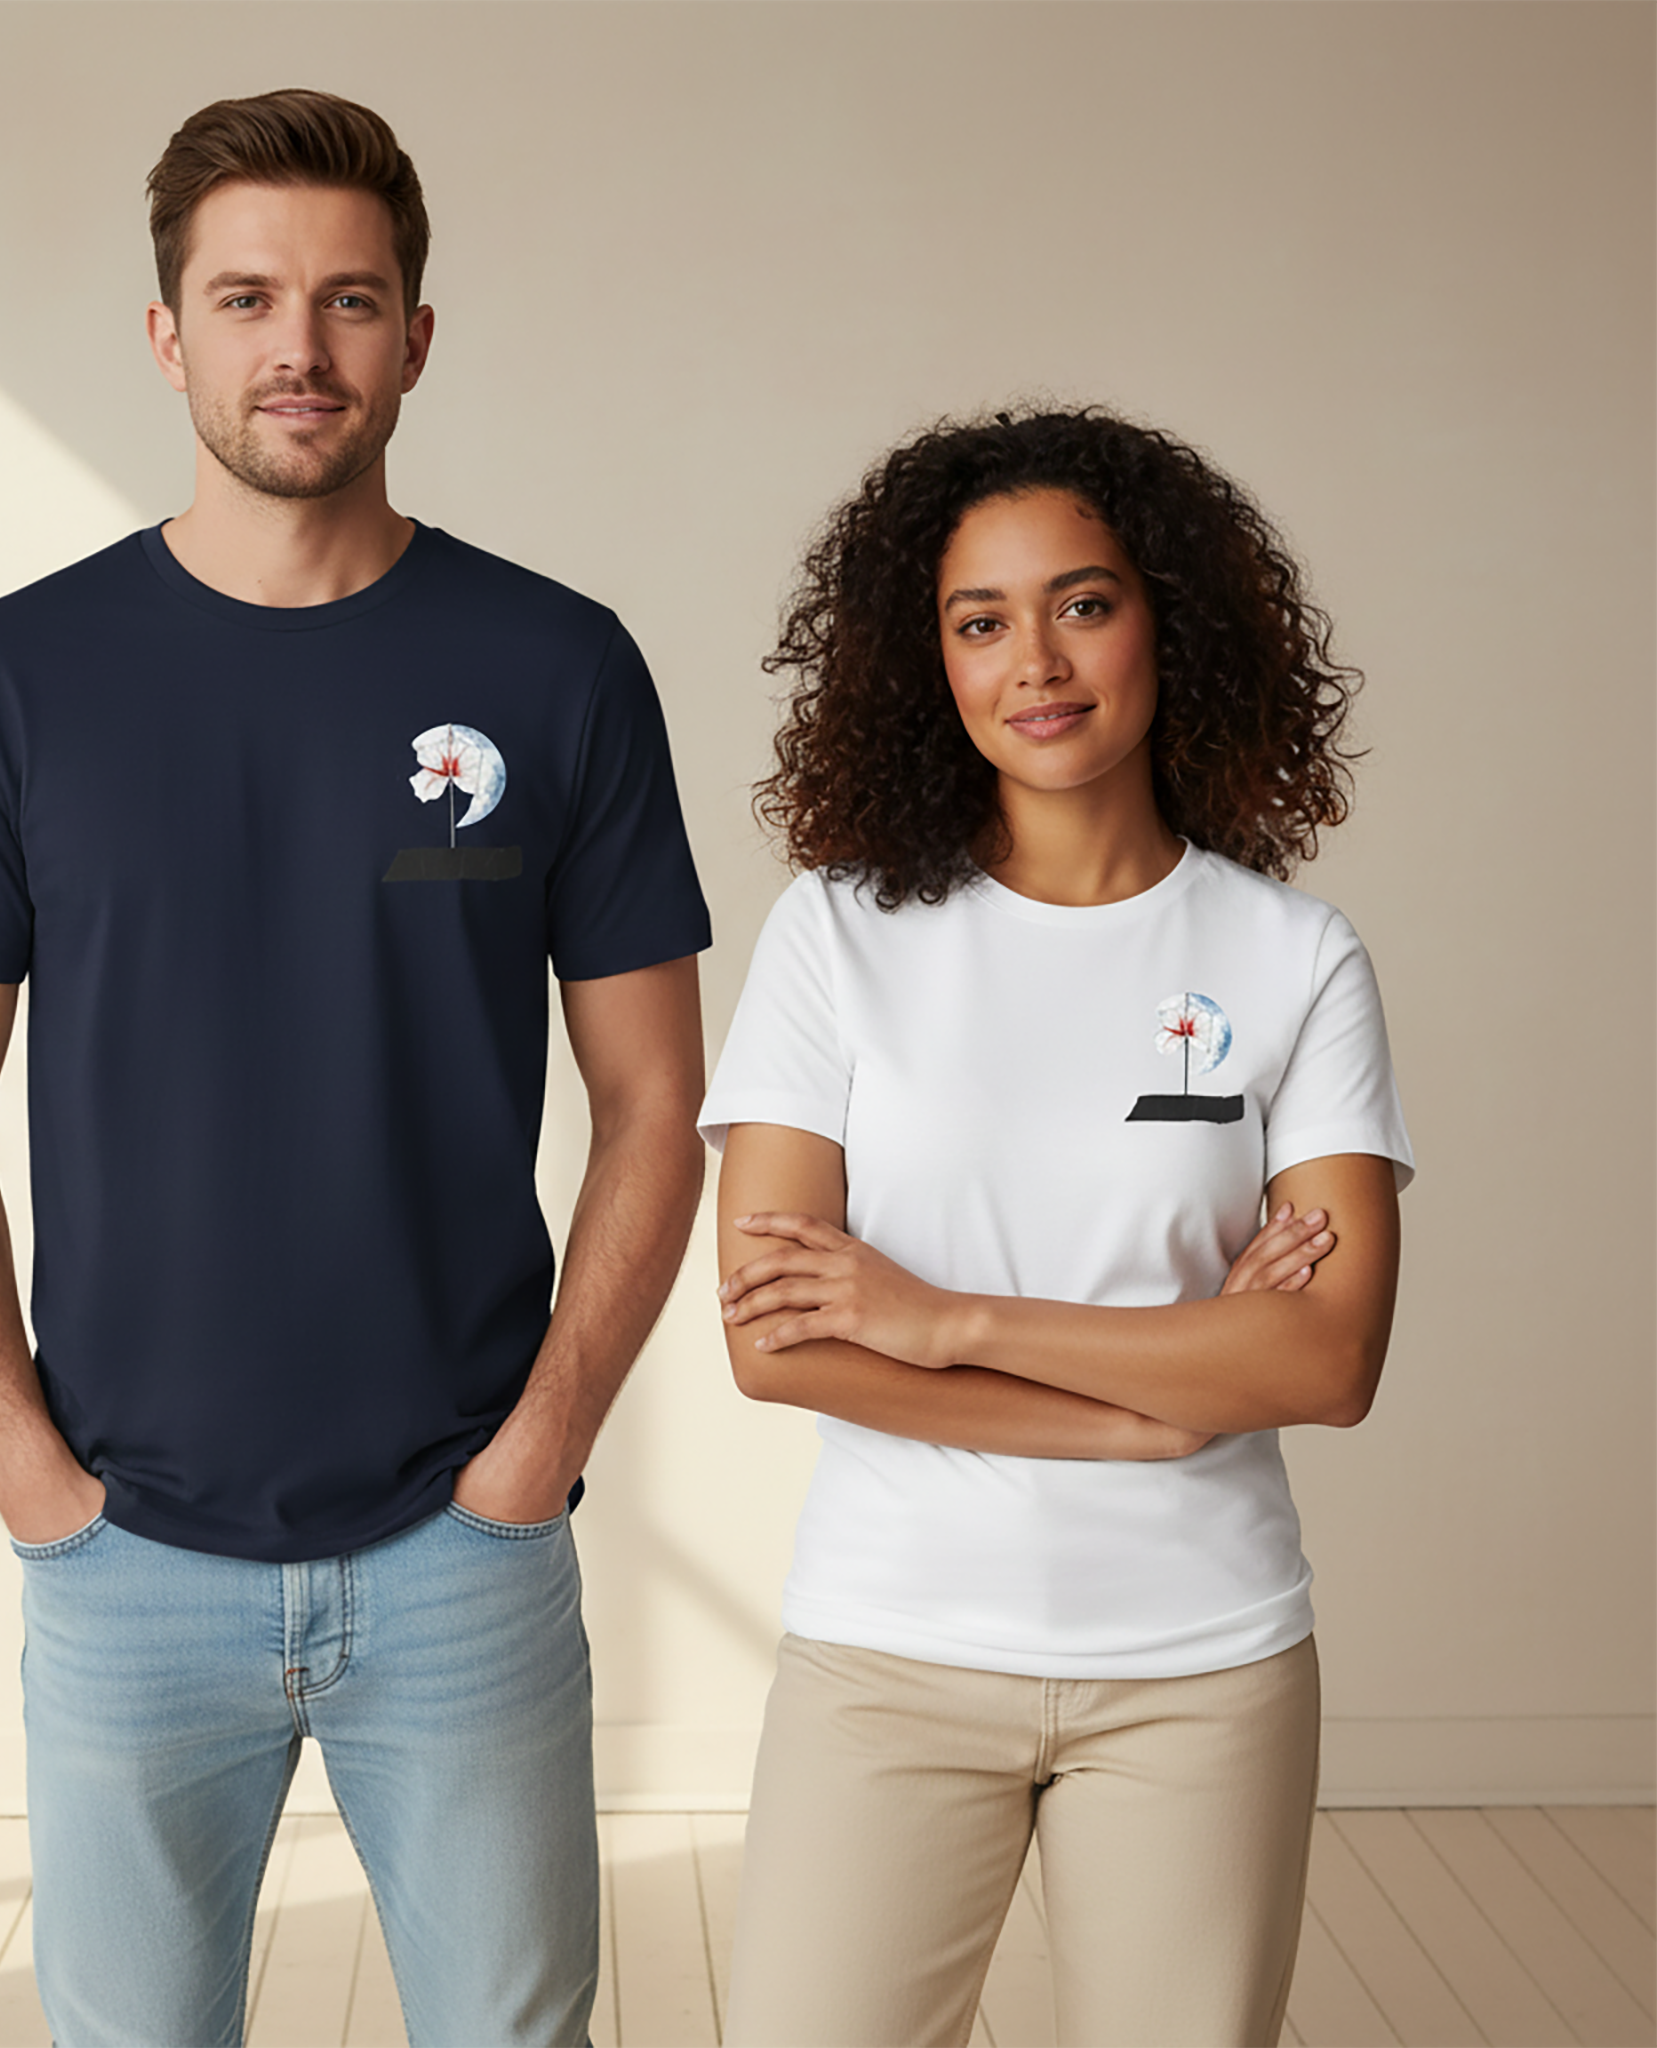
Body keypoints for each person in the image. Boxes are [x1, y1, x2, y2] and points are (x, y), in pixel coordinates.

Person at [0, 87, 708, 2048]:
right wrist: (20, 1460)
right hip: (124, 1554)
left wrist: (539, 1449)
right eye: (245, 298)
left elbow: (656, 1101)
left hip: (460, 1542)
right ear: (168, 334)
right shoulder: (13, 678)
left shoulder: (555, 665)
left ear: (416, 334)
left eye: (349, 300)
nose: (297, 348)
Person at [699, 408, 1411, 2048]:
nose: (1039, 659)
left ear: (1171, 617)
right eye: (980, 620)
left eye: (1084, 602)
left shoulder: (1293, 958)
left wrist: (945, 1317)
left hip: (1203, 1668)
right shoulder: (837, 937)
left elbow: (1326, 1353)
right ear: (925, 662)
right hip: (887, 1652)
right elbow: (775, 1342)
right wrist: (1157, 1409)